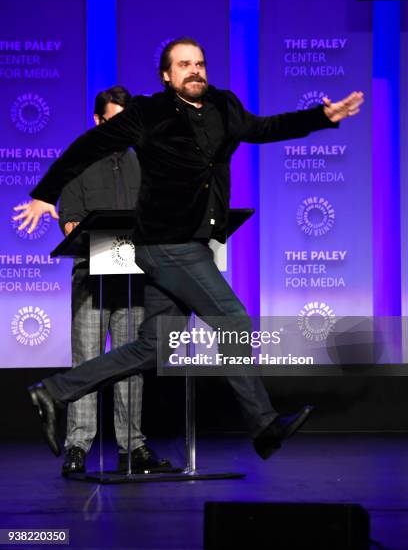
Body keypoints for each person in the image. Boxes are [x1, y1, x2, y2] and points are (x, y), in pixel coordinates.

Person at [14, 37, 364, 460]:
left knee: (155, 346)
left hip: (189, 240)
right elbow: (87, 148)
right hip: (166, 242)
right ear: (167, 75)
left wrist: (322, 117)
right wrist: (45, 194)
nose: (194, 70)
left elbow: (264, 128)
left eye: (199, 63)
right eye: (183, 65)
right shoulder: (148, 113)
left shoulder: (223, 106)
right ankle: (263, 424)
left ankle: (53, 392)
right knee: (233, 318)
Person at [58, 85, 171, 475]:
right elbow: (69, 218)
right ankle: (77, 446)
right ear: (97, 121)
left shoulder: (145, 161)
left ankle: (132, 446)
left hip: (133, 278)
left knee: (131, 362)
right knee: (87, 360)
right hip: (92, 277)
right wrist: (89, 237)